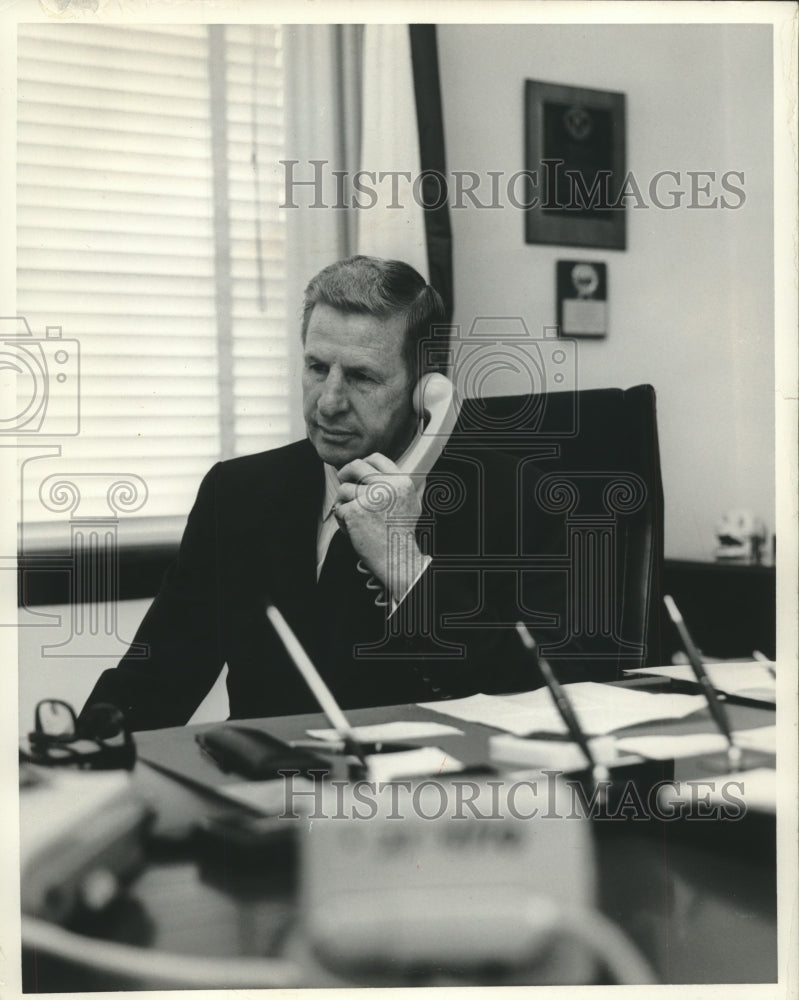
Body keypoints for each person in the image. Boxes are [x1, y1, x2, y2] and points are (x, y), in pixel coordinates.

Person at [81, 256, 564, 732]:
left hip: (425, 796)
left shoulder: (517, 499)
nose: (329, 402)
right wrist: (73, 762)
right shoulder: (237, 494)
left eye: (361, 377)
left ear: (425, 387)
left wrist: (403, 565)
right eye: (316, 368)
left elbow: (539, 697)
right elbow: (157, 677)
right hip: (269, 790)